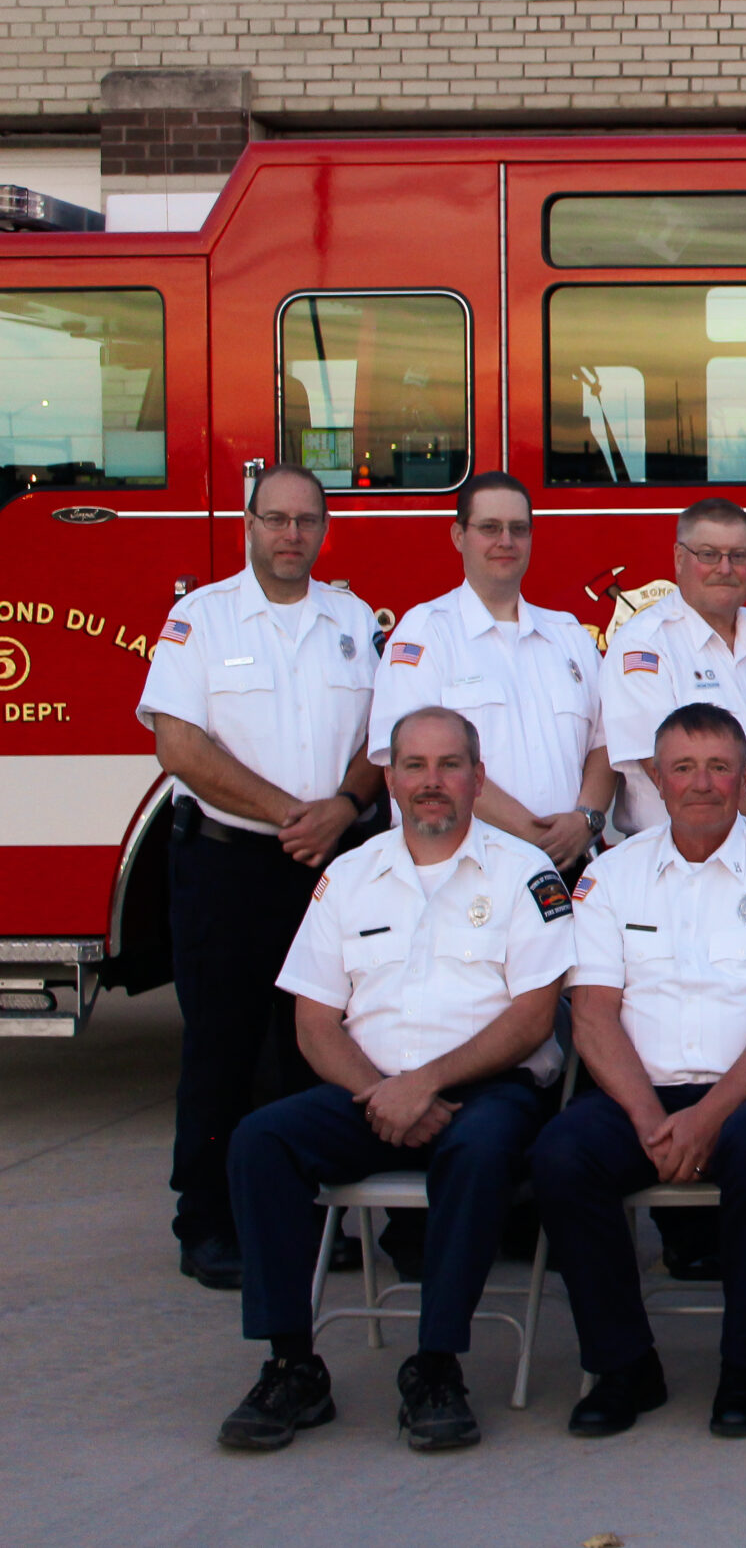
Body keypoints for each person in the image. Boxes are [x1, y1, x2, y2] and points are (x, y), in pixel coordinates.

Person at [216, 707, 572, 1454]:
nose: (431, 781)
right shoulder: (350, 876)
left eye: (449, 765)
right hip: (369, 1090)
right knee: (260, 1141)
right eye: (415, 765)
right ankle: (291, 1364)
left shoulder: (525, 873)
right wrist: (384, 1093)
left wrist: (426, 1083)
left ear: (478, 778)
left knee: (479, 1151)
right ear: (390, 779)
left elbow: (533, 1018)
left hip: (488, 1089)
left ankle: (436, 1367)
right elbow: (315, 1022)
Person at [530, 703, 746, 1439]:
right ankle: (623, 1365)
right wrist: (650, 1118)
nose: (701, 784)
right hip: (640, 1093)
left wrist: (708, 1116)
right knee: (561, 1155)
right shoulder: (611, 875)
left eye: (718, 767)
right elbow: (593, 1014)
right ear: (656, 778)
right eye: (683, 768)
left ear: (745, 776)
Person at [138, 463, 383, 1290]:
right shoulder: (200, 619)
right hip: (230, 865)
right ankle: (207, 1219)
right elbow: (180, 746)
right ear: (249, 524)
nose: (291, 534)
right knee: (224, 1045)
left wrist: (343, 806)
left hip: (328, 866)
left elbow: (379, 737)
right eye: (275, 519)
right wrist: (293, 814)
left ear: (324, 530)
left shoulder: (353, 620)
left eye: (306, 520)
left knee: (315, 1047)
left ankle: (306, 1216)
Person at [371, 472, 615, 872]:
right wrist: (535, 839)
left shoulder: (569, 635)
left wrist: (585, 820)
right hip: (465, 870)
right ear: (458, 536)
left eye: (518, 529)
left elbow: (605, 745)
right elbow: (412, 760)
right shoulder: (425, 633)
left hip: (569, 863)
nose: (506, 541)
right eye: (490, 528)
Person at [600, 496, 746, 843]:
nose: (725, 569)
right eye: (709, 555)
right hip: (687, 859)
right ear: (679, 558)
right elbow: (664, 765)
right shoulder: (644, 645)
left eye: (739, 556)